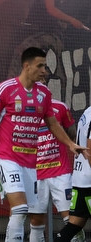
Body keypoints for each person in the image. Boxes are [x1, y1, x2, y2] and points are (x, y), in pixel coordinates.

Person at [0, 47, 86, 242]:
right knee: (19, 208)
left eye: (45, 65)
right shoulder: (6, 88)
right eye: (40, 65)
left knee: (30, 214)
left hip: (30, 163)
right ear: (26, 66)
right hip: (6, 157)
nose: (45, 70)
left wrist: (70, 144)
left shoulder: (44, 93)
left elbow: (52, 123)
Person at [34, 95, 77, 242]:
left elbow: (72, 132)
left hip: (60, 172)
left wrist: (77, 147)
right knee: (36, 222)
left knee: (72, 219)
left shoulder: (60, 107)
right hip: (35, 174)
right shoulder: (23, 109)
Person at [54, 104, 91, 242]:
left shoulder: (87, 111)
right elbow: (90, 148)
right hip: (89, 180)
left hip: (80, 179)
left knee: (74, 225)